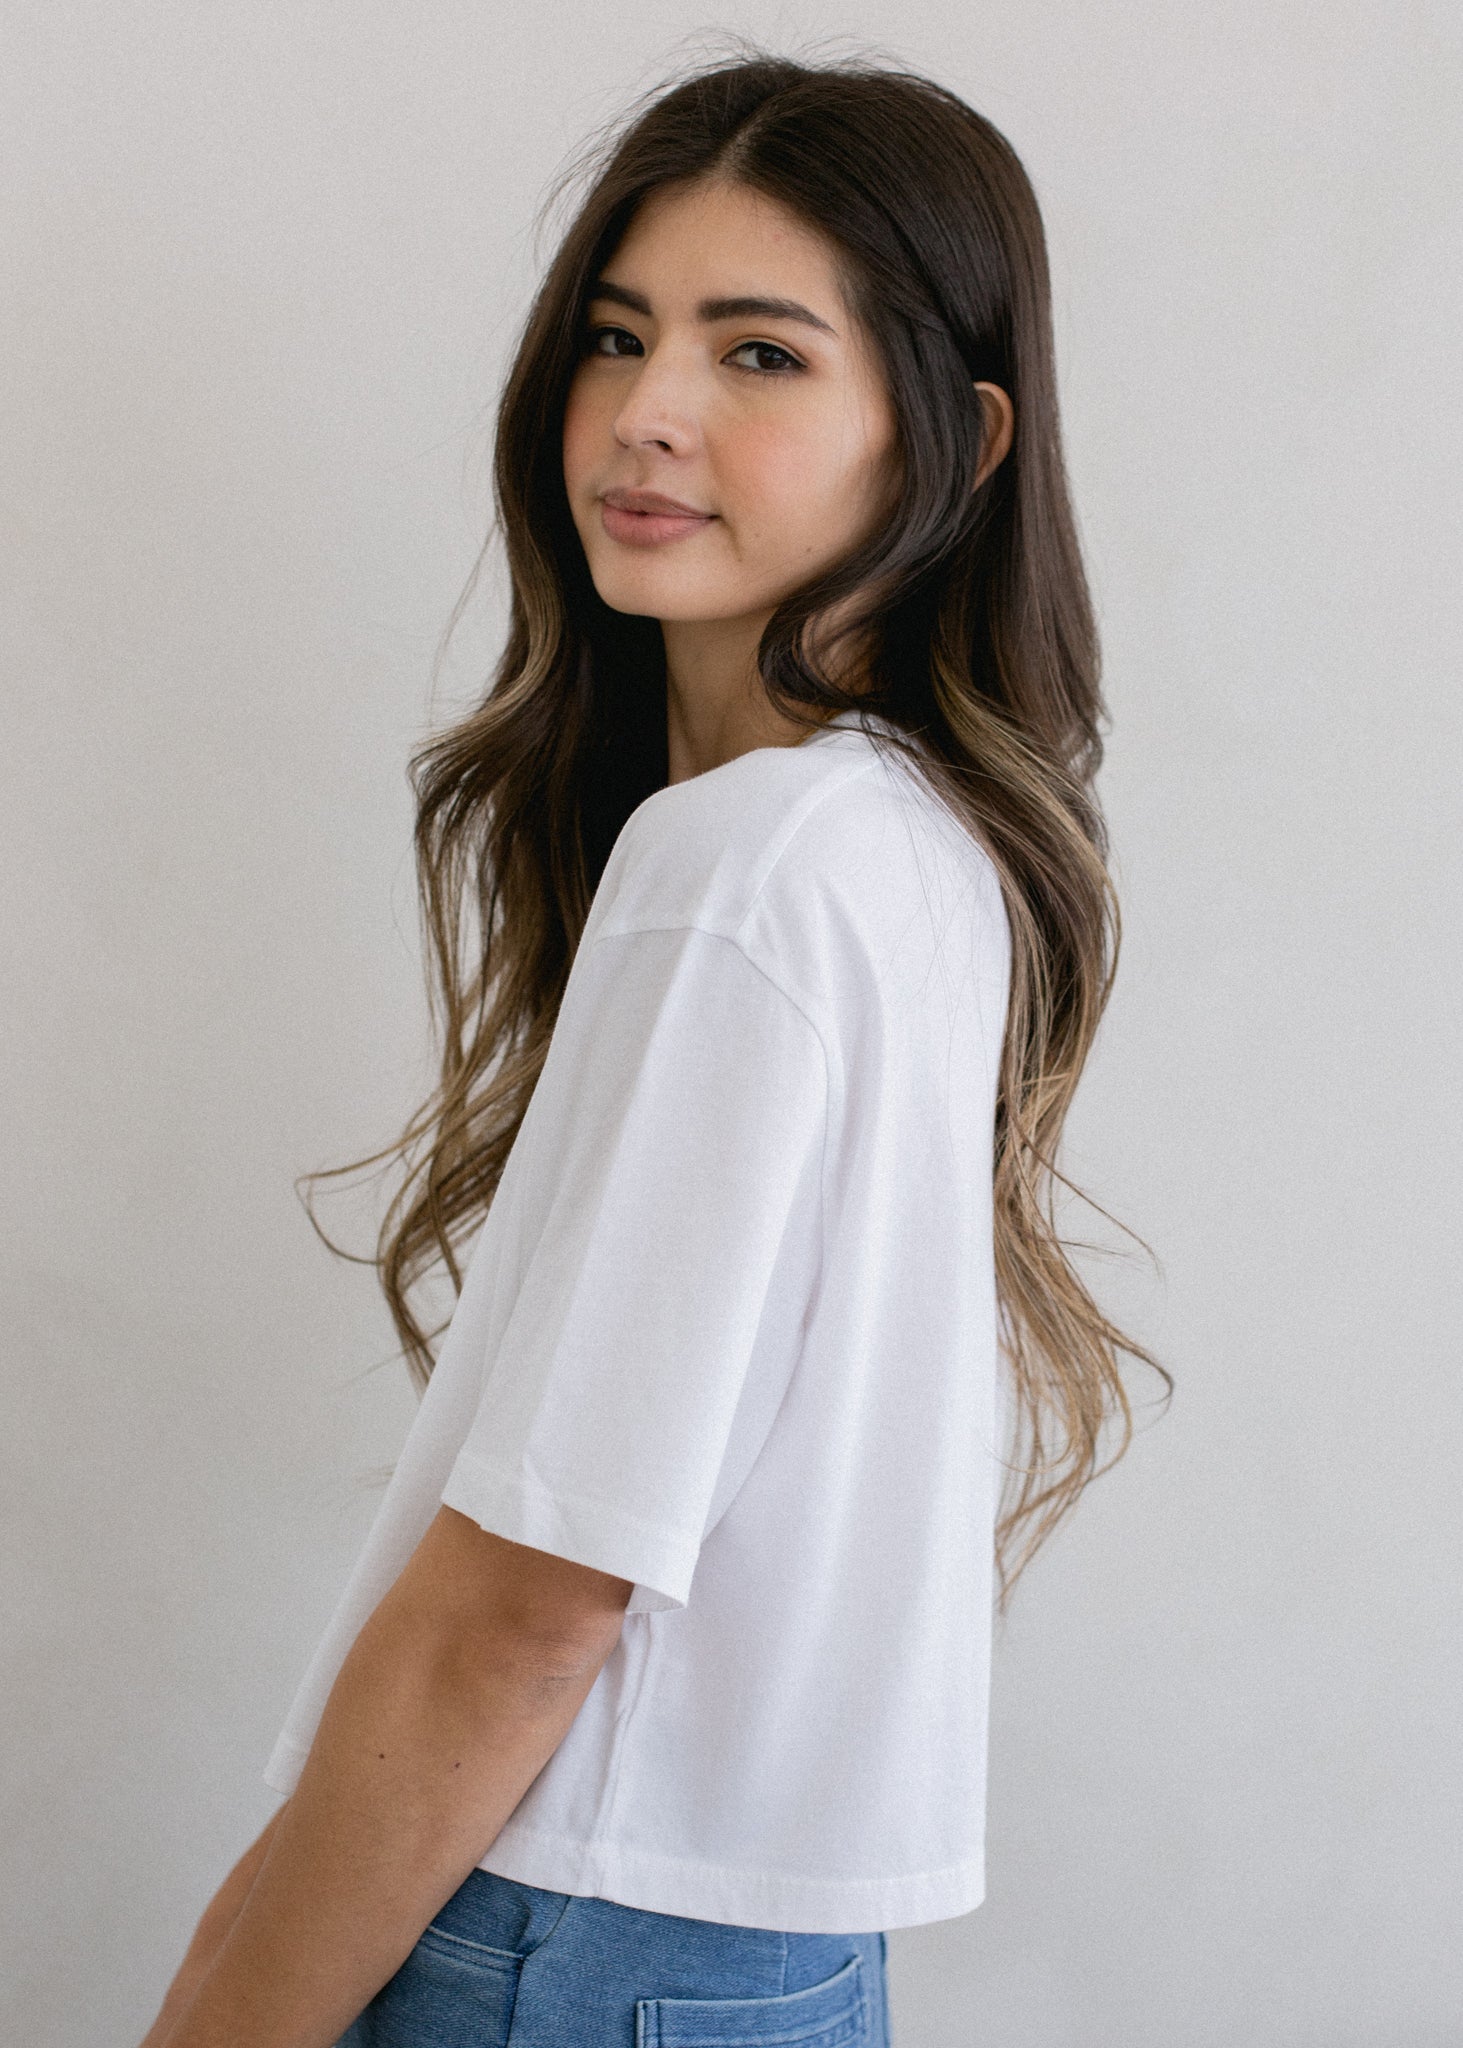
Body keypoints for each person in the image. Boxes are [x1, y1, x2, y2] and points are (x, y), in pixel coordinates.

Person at [139, 47, 1166, 2048]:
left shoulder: (747, 868)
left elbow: (534, 1609)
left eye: (759, 353)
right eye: (618, 337)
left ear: (953, 438)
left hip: (564, 1942)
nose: (649, 411)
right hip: (763, 1967)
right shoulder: (922, 845)